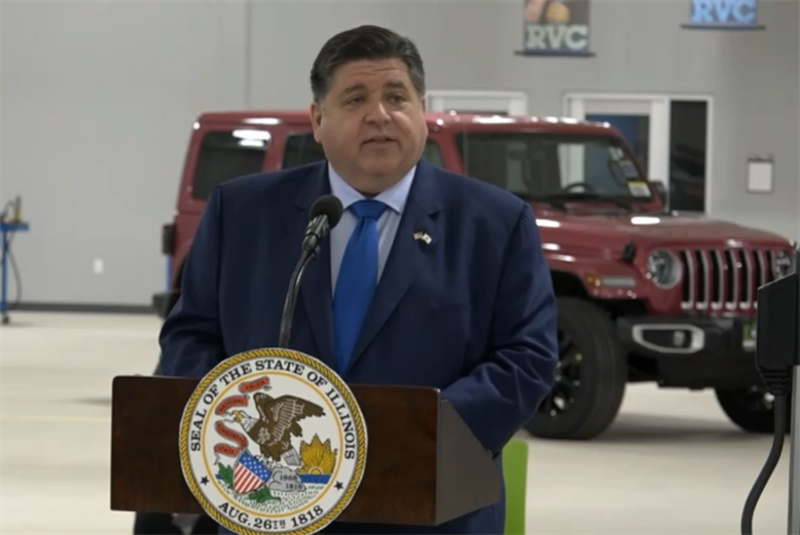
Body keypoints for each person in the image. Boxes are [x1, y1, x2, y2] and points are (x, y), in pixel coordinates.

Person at [159, 24, 558, 535]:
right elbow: (190, 334)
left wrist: (410, 436)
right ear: (318, 119)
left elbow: (528, 357)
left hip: (431, 505)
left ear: (423, 112)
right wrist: (234, 427)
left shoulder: (496, 223)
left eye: (397, 96)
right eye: (355, 98)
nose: (380, 114)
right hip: (270, 499)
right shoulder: (241, 213)